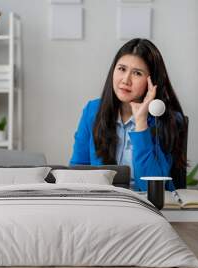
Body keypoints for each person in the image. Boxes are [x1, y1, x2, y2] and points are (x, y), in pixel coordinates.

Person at [69, 38, 187, 192]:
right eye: (122, 69)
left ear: (152, 82)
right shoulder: (92, 111)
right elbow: (77, 172)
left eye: (137, 73)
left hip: (146, 206)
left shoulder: (167, 119)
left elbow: (151, 189)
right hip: (103, 203)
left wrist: (141, 123)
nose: (126, 80)